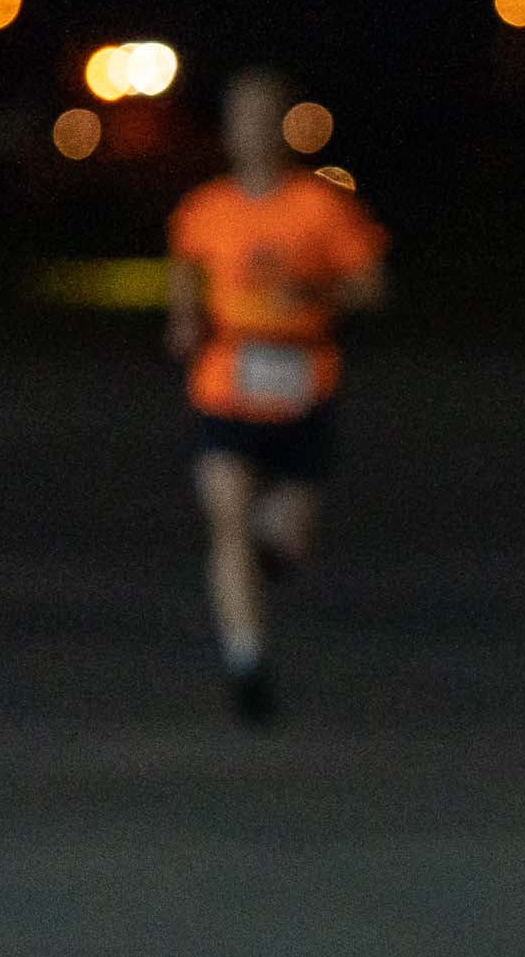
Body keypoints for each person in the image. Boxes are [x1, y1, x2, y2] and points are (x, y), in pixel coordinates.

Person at [165, 69, 387, 722]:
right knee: (228, 521)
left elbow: (372, 285)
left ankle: (262, 560)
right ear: (227, 129)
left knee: (289, 543)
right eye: (242, 117)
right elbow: (186, 285)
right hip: (226, 390)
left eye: (265, 116)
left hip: (301, 389)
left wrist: (314, 294)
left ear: (284, 125)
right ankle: (247, 661)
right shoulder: (203, 209)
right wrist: (184, 323)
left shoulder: (321, 206)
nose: (253, 130)